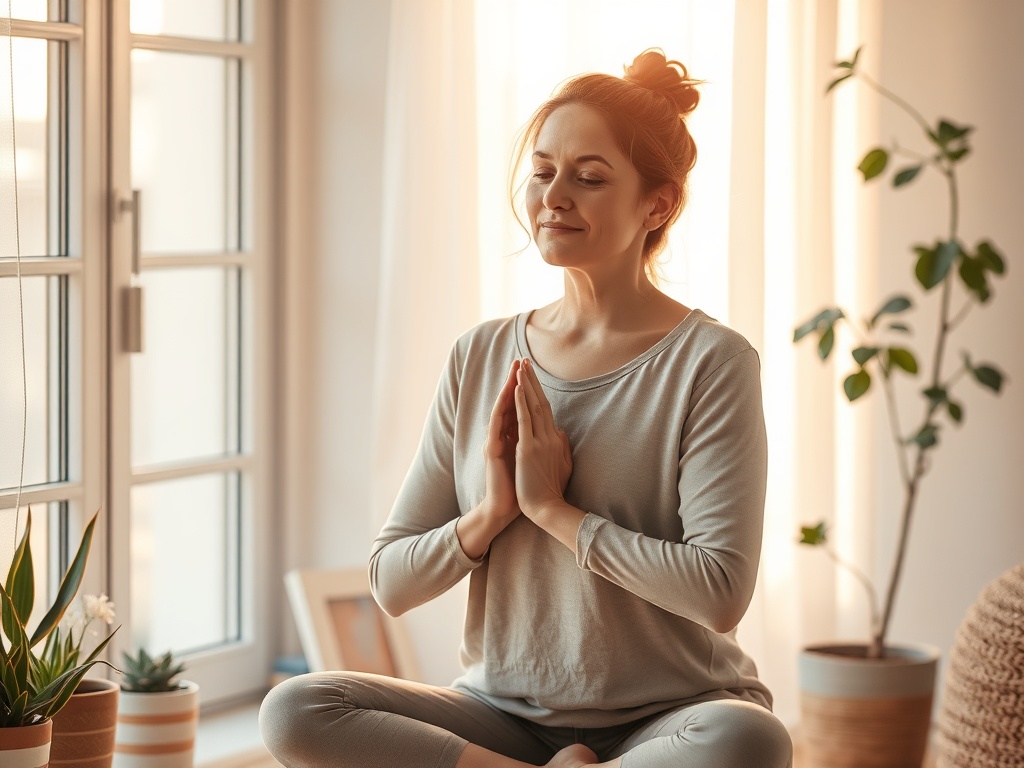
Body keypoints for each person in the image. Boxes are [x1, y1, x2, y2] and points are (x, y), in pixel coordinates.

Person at [260, 48, 792, 768]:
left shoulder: (711, 363)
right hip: (501, 715)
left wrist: (553, 512)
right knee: (297, 708)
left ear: (657, 204)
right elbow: (390, 581)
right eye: (543, 172)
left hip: (669, 720)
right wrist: (490, 517)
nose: (554, 197)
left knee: (749, 740)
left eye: (589, 177)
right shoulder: (479, 355)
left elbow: (720, 592)